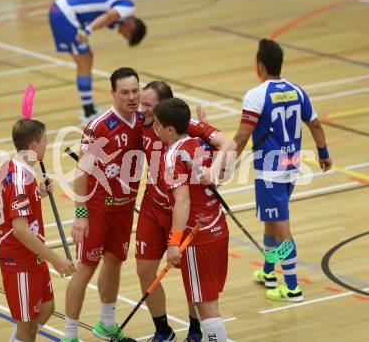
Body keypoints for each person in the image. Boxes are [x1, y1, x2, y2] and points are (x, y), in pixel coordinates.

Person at [233, 38, 333, 302]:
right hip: (291, 166)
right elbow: (315, 125)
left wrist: (225, 163)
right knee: (271, 222)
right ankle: (268, 272)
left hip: (270, 172)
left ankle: (291, 287)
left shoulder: (256, 95)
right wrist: (323, 154)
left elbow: (243, 136)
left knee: (282, 227)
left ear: (260, 65)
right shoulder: (297, 90)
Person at [137, 82, 236, 341]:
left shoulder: (173, 155)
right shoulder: (200, 145)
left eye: (151, 112)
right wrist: (216, 170)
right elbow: (225, 164)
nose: (145, 115)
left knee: (207, 306)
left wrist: (173, 242)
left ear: (168, 126)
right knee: (207, 301)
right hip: (215, 226)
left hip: (196, 233)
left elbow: (182, 202)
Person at [61, 67, 144, 342]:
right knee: (86, 267)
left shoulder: (144, 120)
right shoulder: (100, 126)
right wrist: (81, 215)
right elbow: (82, 173)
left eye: (135, 90)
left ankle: (107, 324)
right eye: (125, 92)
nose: (131, 97)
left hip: (124, 207)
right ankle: (70, 335)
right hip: (97, 208)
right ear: (112, 94)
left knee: (115, 263)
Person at [0, 119, 74, 342]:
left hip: (32, 256)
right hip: (19, 261)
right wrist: (56, 260)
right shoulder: (19, 179)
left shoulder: (13, 169)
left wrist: (38, 193)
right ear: (34, 146)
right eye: (45, 141)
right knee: (27, 326)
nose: (47, 145)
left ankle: (20, 336)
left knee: (46, 308)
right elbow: (20, 230)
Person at [48, 0, 146, 123]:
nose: (120, 34)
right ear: (131, 28)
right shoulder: (127, 7)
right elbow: (108, 17)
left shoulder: (122, 11)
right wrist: (87, 31)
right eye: (125, 35)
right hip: (65, 14)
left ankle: (88, 107)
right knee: (85, 61)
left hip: (61, 11)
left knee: (86, 59)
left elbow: (102, 15)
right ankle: (87, 111)